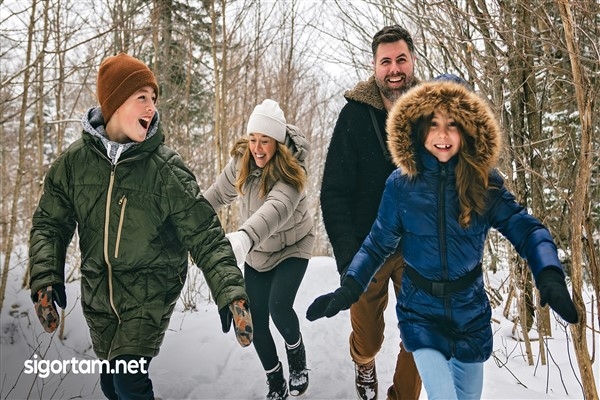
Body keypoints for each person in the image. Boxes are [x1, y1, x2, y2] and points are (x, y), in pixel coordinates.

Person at [307, 78, 579, 400]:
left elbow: (527, 229)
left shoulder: (483, 184)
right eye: (433, 123)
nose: (443, 135)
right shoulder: (400, 185)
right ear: (420, 129)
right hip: (420, 313)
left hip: (470, 314)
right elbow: (378, 242)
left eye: (453, 125)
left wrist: (548, 272)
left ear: (467, 130)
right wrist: (351, 286)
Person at [28, 52, 253, 400]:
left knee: (128, 380)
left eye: (154, 98)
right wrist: (45, 277)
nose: (151, 107)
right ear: (115, 102)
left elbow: (204, 233)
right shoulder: (73, 165)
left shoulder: (165, 168)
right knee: (111, 385)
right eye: (141, 97)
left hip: (151, 288)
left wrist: (231, 293)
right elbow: (49, 224)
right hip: (99, 295)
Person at [318, 24, 422, 400]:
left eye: (400, 59)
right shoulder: (354, 116)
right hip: (369, 249)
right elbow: (333, 193)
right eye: (385, 62)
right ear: (374, 67)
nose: (394, 69)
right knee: (369, 339)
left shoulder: (433, 113)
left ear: (412, 61)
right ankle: (363, 363)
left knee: (421, 336)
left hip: (419, 251)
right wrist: (349, 260)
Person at [203, 99, 314, 400]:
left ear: (277, 142)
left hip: (292, 247)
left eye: (265, 141)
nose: (258, 148)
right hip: (258, 253)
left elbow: (275, 210)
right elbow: (215, 195)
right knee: (256, 324)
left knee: (279, 306)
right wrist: (187, 217)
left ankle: (297, 354)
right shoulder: (242, 161)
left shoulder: (293, 172)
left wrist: (242, 237)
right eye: (253, 139)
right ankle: (275, 378)